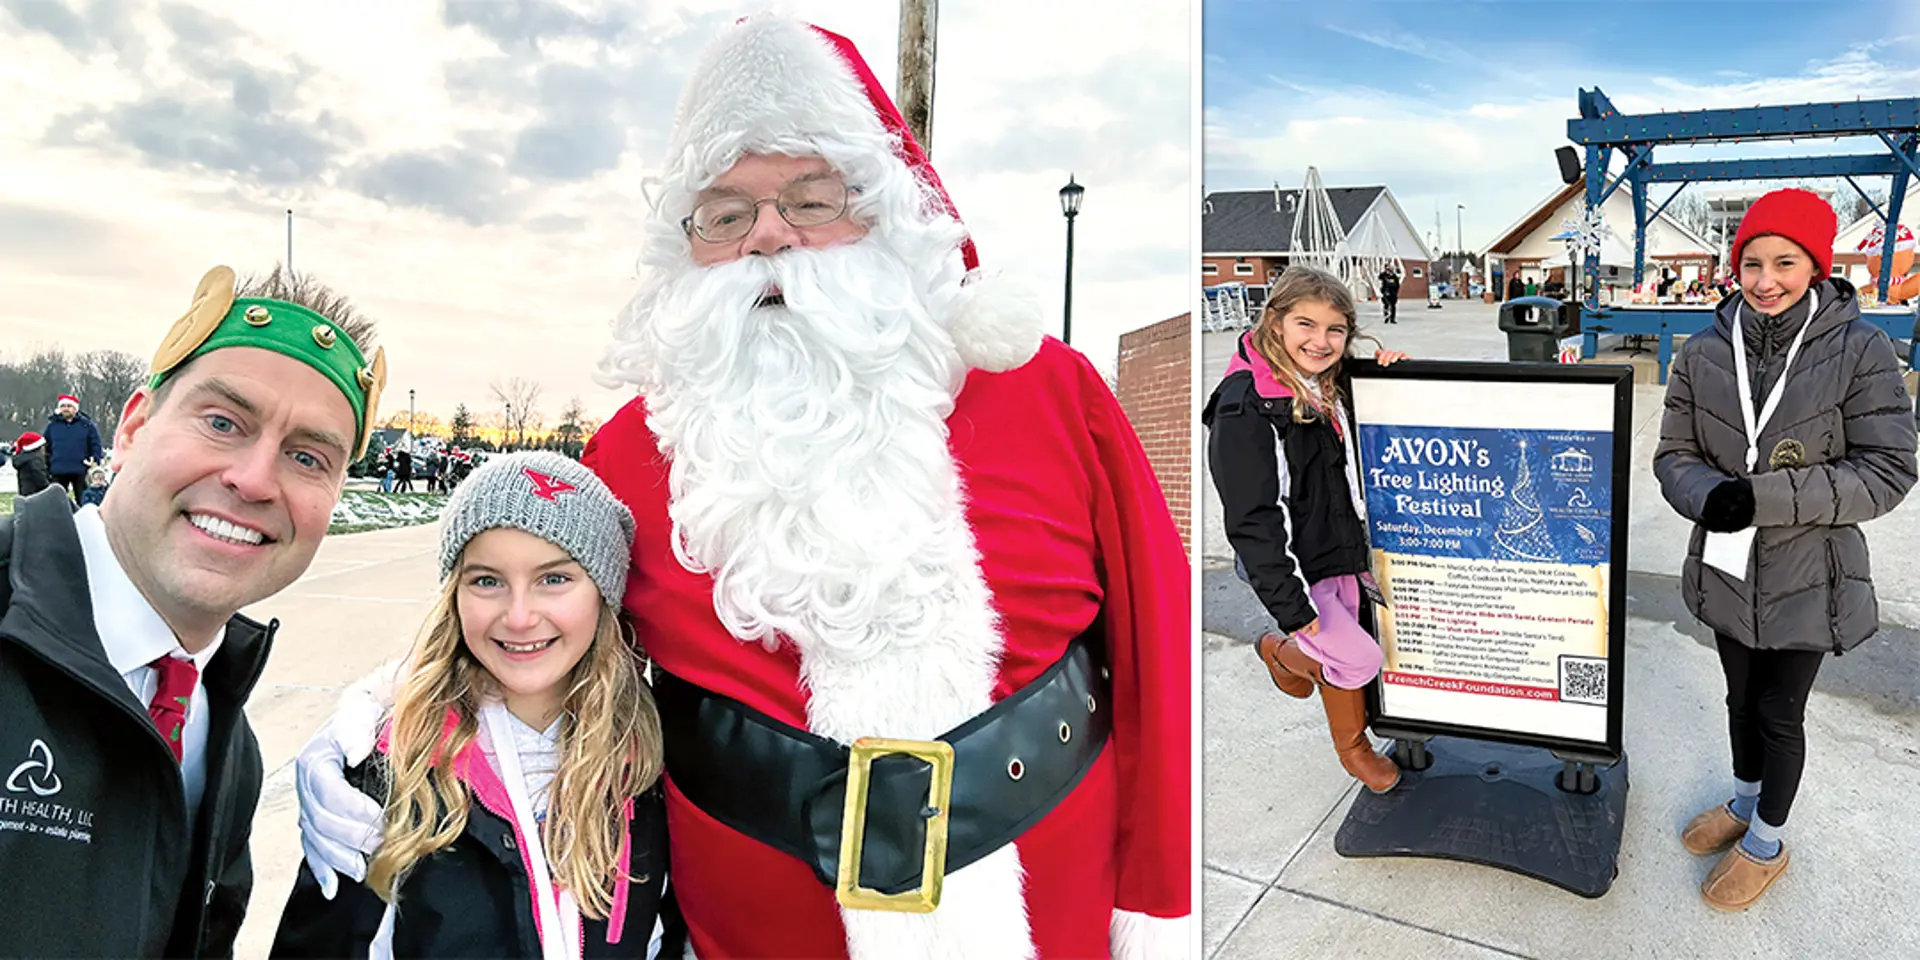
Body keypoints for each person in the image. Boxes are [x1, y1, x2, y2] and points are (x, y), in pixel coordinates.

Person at [294, 15, 1190, 959]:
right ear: (687, 248)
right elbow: (529, 613)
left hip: (1061, 911)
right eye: (726, 213)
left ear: (884, 206)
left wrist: (1161, 898)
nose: (770, 236)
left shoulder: (1048, 391)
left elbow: (1155, 631)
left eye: (811, 197)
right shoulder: (633, 451)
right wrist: (387, 723)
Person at [0, 265, 387, 956]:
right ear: (132, 427)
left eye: (306, 457)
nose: (254, 479)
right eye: (222, 422)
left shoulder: (226, 745)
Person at [271, 452, 681, 957]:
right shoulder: (391, 773)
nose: (520, 616)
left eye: (554, 579)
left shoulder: (653, 768)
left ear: (604, 592)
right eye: (487, 580)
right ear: (455, 595)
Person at [1654, 188, 1917, 911]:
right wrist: (1708, 495)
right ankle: (1743, 803)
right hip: (1727, 569)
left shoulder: (1860, 349)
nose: (1766, 280)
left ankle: (1767, 843)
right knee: (1739, 699)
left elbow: (1888, 469)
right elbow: (1674, 452)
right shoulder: (1706, 348)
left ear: (1816, 264)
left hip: (1811, 574)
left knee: (1779, 712)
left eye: (1786, 261)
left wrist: (1760, 498)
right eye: (1752, 263)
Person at [1203, 265, 1409, 795]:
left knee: (1350, 648)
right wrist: (1295, 612)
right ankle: (1350, 744)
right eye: (1305, 325)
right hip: (1296, 563)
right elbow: (1252, 521)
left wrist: (1385, 372)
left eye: (1335, 330)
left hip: (1341, 547)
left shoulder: (1325, 380)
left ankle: (1284, 654)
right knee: (1358, 659)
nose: (1321, 341)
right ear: (1274, 323)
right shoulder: (1246, 404)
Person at [45, 393, 104, 503]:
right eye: (63, 406)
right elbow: (46, 446)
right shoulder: (52, 426)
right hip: (58, 470)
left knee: (83, 500)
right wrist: (47, 463)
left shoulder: (87, 425)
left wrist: (95, 459)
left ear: (75, 408)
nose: (66, 409)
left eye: (69, 406)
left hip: (80, 469)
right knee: (56, 501)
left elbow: (95, 443)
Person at [12, 431, 51, 497]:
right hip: (36, 494)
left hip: (26, 492)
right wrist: (49, 487)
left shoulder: (24, 459)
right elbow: (41, 479)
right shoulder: (35, 460)